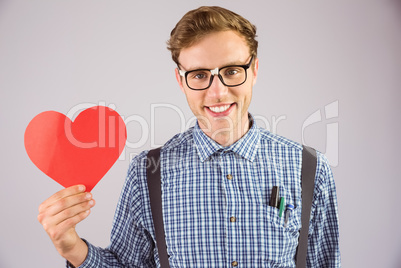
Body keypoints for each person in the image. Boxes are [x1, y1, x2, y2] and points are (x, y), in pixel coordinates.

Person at [37, 6, 341, 267]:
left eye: (232, 70)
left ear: (255, 70)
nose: (218, 91)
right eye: (199, 75)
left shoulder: (309, 167)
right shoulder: (148, 172)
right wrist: (70, 247)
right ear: (181, 81)